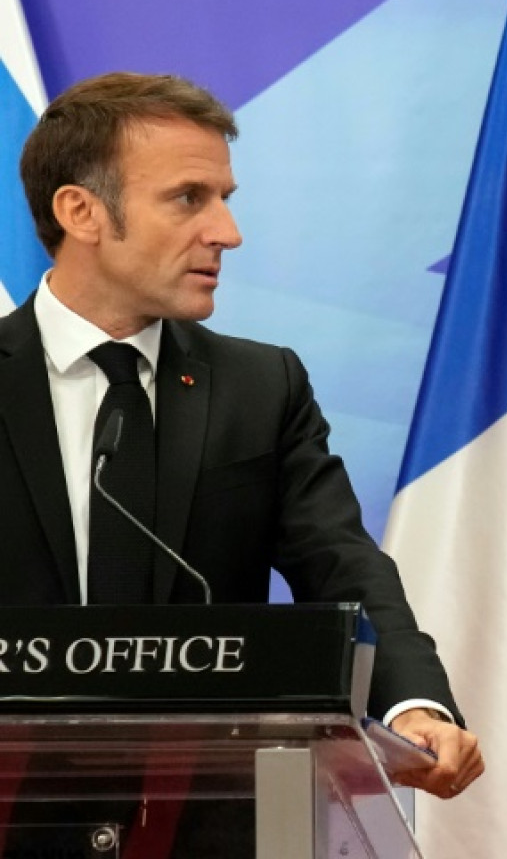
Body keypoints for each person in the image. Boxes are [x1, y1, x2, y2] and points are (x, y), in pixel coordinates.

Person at [3, 73, 482, 804]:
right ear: (82, 211)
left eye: (225, 199)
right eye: (189, 198)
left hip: (203, 817)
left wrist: (412, 704)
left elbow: (341, 565)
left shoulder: (262, 388)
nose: (227, 232)